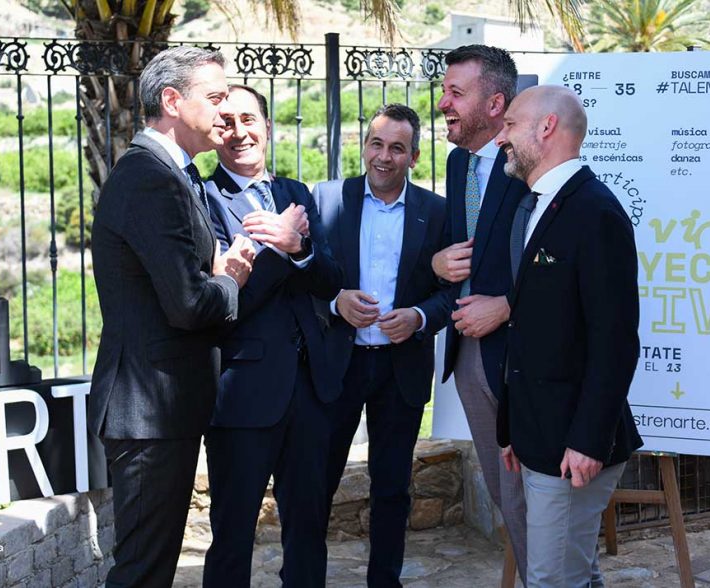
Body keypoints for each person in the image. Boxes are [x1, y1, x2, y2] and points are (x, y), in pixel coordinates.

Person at [87, 47, 256, 588]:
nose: (226, 110)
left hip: (162, 413)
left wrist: (214, 274)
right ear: (172, 101)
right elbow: (188, 304)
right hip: (148, 414)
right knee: (142, 573)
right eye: (215, 96)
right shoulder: (151, 177)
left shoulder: (172, 173)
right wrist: (231, 279)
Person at [495, 85, 643, 587]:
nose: (501, 137)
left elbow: (615, 340)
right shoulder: (538, 204)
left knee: (553, 580)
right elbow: (535, 327)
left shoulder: (595, 212)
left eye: (510, 125)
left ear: (547, 127)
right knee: (574, 574)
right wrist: (514, 429)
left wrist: (587, 441)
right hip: (540, 437)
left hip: (572, 448)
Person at [201, 84, 344, 587]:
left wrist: (300, 248)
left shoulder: (295, 193)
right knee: (233, 532)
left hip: (310, 388)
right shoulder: (203, 199)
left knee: (308, 529)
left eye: (248, 120)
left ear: (267, 126)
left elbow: (330, 279)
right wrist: (283, 250)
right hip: (244, 393)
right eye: (226, 122)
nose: (239, 132)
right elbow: (227, 302)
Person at [313, 104, 451, 588]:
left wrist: (418, 318)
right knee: (316, 482)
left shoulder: (437, 212)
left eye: (397, 148)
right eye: (377, 144)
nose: (384, 156)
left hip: (400, 368)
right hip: (338, 365)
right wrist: (336, 302)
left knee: (392, 488)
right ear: (364, 146)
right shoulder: (327, 199)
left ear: (414, 157)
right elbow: (301, 280)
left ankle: (384, 582)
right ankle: (302, 577)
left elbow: (451, 290)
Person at [430, 44, 529, 579]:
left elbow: (560, 261)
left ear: (495, 104)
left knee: (539, 500)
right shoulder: (456, 162)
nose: (442, 102)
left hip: (522, 359)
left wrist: (508, 307)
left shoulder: (529, 161)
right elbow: (458, 250)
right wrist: (438, 262)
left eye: (455, 92)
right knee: (505, 496)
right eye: (444, 91)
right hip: (468, 355)